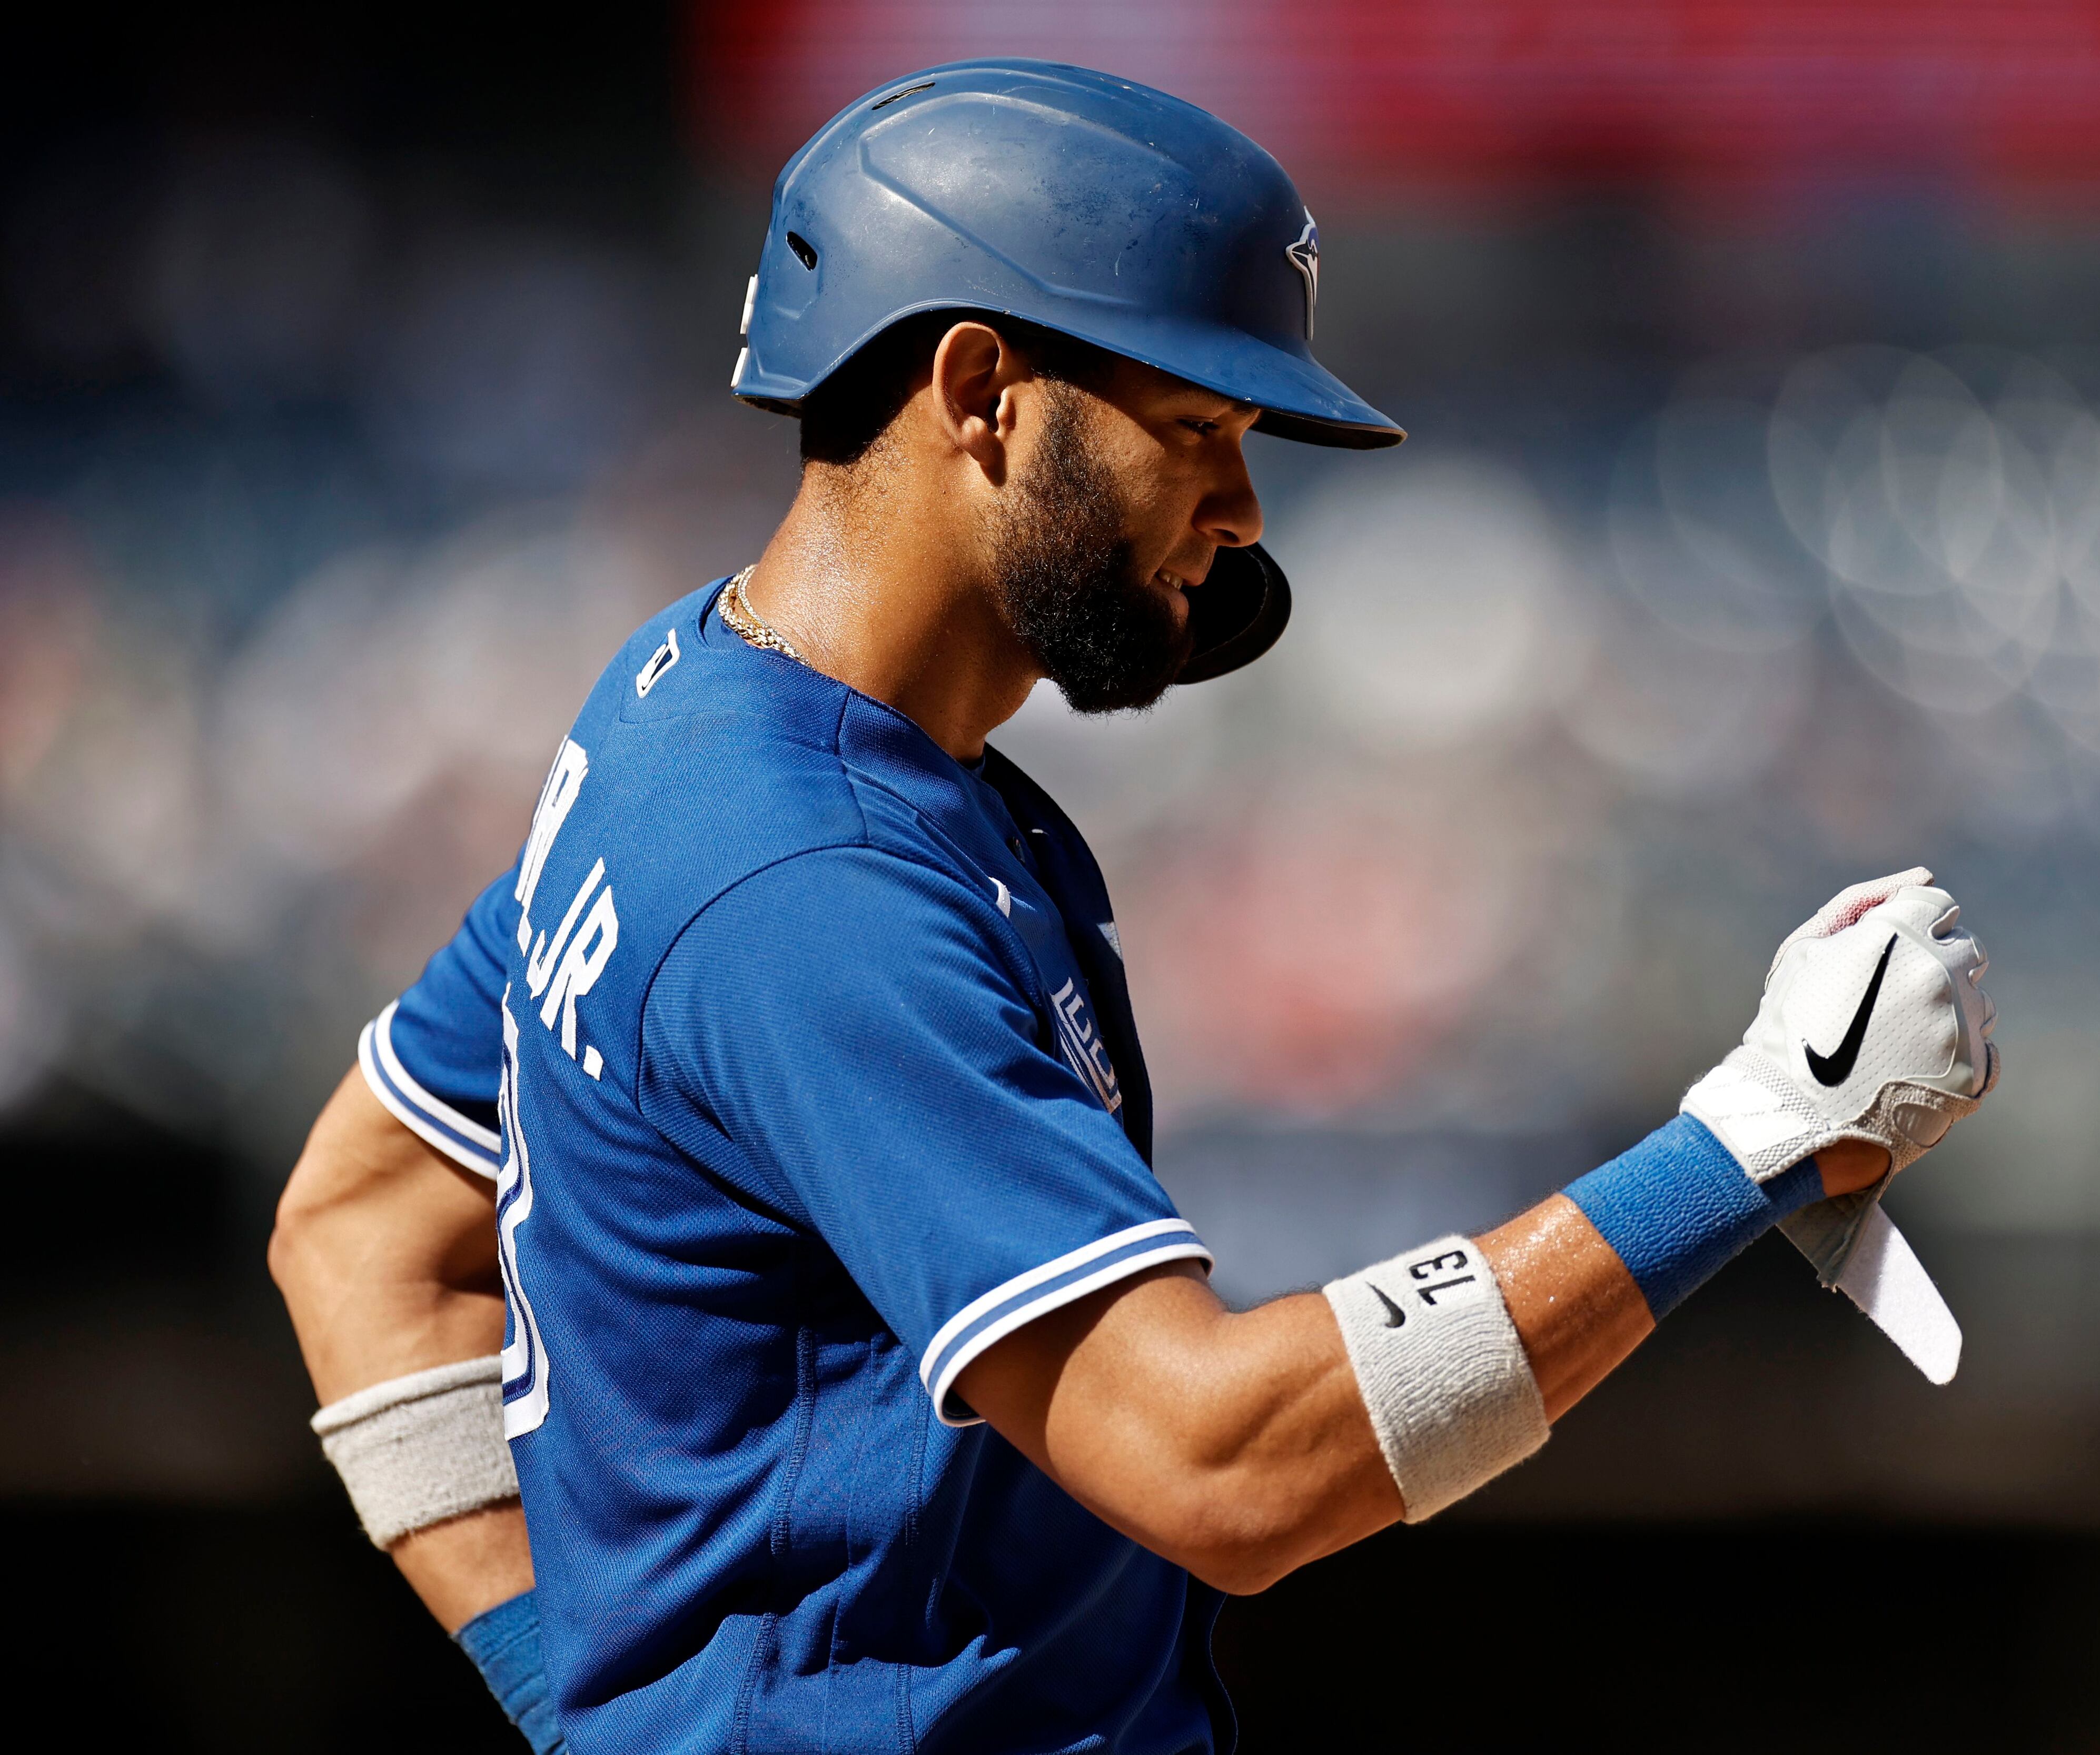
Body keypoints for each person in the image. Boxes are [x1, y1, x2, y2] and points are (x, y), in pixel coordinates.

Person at [269, 59, 1999, 1755]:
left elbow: (356, 1224)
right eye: (1197, 431)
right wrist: (1752, 1142)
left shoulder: (688, 712)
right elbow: (1219, 1465)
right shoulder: (808, 881)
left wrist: (564, 1699)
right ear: (983, 394)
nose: (1242, 513)